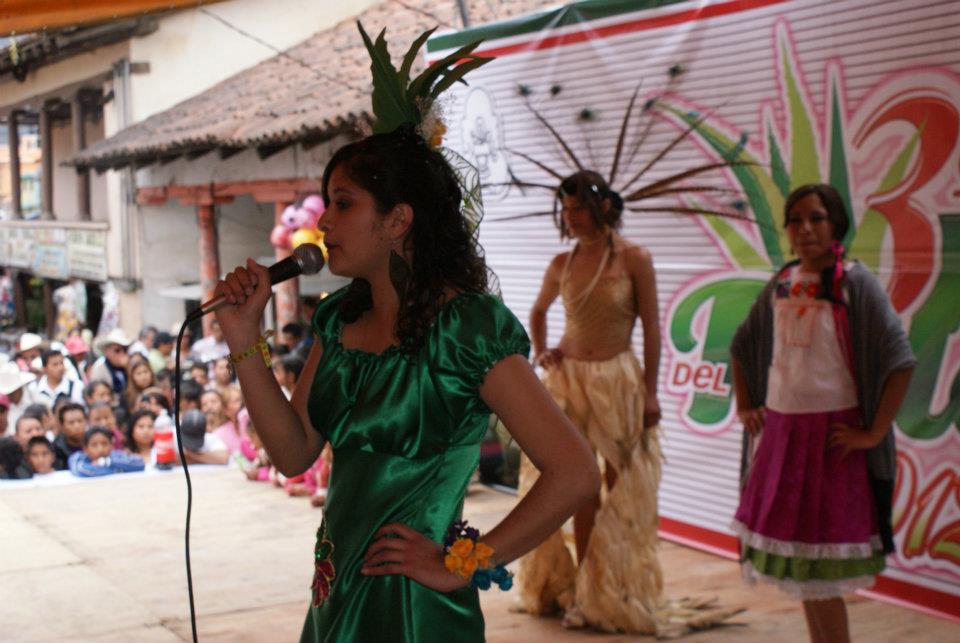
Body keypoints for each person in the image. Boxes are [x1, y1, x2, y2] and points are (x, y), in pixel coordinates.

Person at [211, 25, 599, 642]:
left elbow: (576, 472)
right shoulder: (338, 323)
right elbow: (292, 454)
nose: (325, 222)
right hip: (337, 592)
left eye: (342, 204)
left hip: (417, 610)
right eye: (326, 204)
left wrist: (466, 563)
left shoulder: (468, 331)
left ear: (397, 220)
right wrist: (243, 338)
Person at [730, 184, 915, 643]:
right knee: (808, 575)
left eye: (816, 218)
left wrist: (873, 434)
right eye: (796, 220)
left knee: (822, 576)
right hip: (784, 443)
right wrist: (746, 403)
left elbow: (899, 360)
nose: (805, 228)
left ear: (835, 224)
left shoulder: (856, 283)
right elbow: (742, 346)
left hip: (831, 446)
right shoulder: (783, 282)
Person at [517, 169, 665, 631]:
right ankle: (584, 590)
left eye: (578, 207)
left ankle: (616, 588)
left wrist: (652, 392)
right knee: (580, 486)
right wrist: (542, 351)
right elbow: (537, 310)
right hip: (570, 381)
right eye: (565, 209)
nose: (571, 217)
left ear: (602, 207)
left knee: (620, 488)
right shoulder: (562, 263)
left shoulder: (634, 258)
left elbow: (653, 329)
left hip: (618, 380)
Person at [68, 426, 145, 477]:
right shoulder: (78, 458)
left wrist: (105, 462)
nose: (100, 449)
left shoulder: (115, 455)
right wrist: (117, 470)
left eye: (104, 444)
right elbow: (82, 470)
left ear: (111, 445)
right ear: (85, 449)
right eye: (94, 445)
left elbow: (140, 463)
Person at [89, 328, 133, 402]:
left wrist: (128, 368)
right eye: (117, 350)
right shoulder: (99, 369)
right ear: (107, 351)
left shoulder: (129, 366)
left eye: (125, 350)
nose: (122, 354)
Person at [52, 402, 88, 470]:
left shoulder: (95, 441)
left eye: (80, 421)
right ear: (62, 426)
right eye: (71, 422)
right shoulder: (56, 450)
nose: (77, 426)